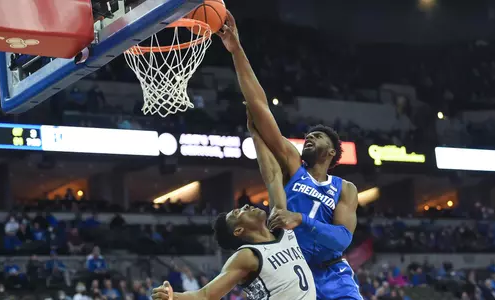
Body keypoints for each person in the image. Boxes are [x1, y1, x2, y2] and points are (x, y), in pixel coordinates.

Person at [218, 11, 361, 299]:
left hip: (332, 275)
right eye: (308, 136)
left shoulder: (345, 189)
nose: (310, 137)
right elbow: (260, 107)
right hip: (293, 272)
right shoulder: (293, 166)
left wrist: (301, 219)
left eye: (318, 137)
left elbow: (341, 240)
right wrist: (236, 50)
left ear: (331, 152)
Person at [152, 110, 315, 300]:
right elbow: (205, 295)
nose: (245, 206)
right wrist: (173, 297)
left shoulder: (282, 225)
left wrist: (256, 135)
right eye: (238, 213)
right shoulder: (247, 256)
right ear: (238, 231)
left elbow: (272, 177)